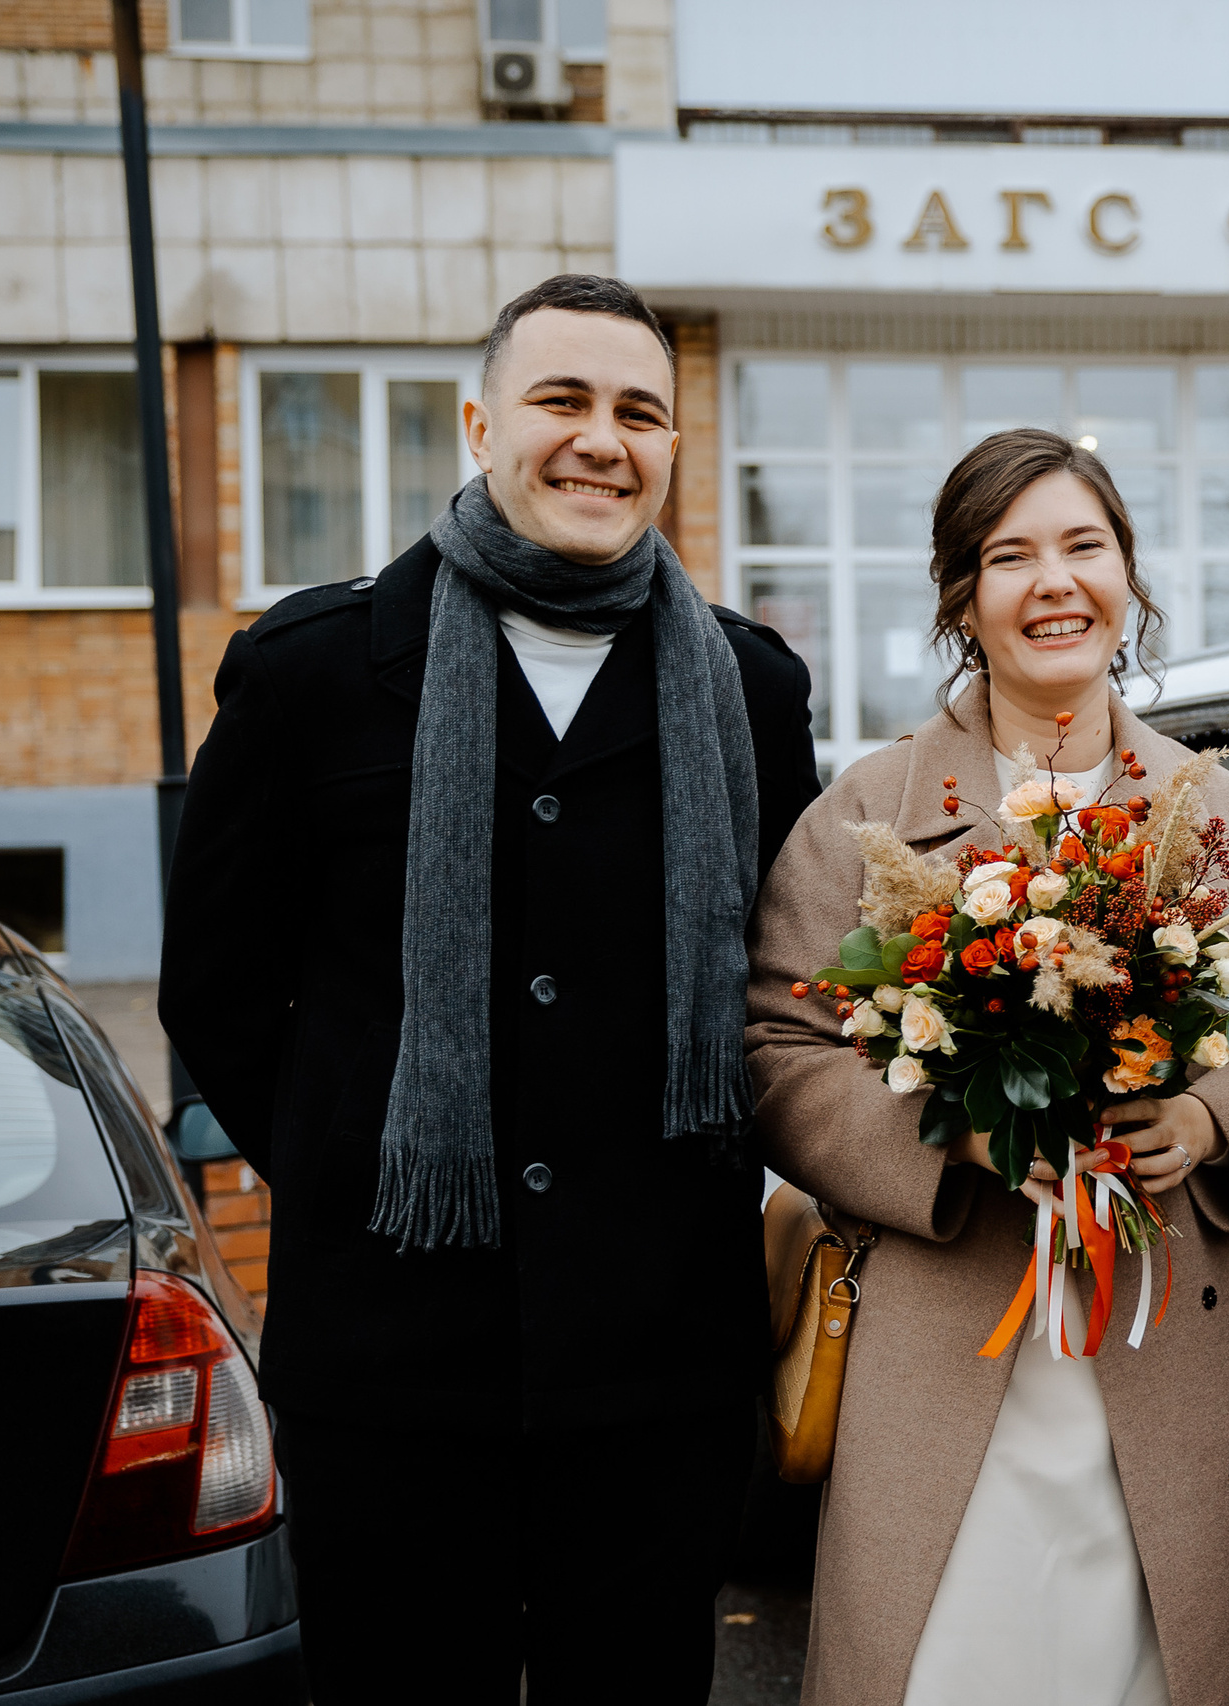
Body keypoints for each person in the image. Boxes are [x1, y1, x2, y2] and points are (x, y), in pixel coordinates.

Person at [160, 274, 820, 1703]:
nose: (602, 439)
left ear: (671, 446)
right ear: (480, 421)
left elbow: (787, 993)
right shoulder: (312, 671)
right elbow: (214, 986)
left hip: (657, 1375)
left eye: (639, 411)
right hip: (392, 1368)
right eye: (562, 400)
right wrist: (361, 1168)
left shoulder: (754, 694)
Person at [744, 427, 1229, 1706]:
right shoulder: (866, 813)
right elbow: (779, 1044)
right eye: (1011, 554)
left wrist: (1213, 1123)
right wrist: (942, 1137)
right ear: (963, 597)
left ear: (1129, 579)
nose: (1053, 580)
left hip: (1176, 1343)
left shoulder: (1213, 812)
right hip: (950, 1341)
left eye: (1084, 545)